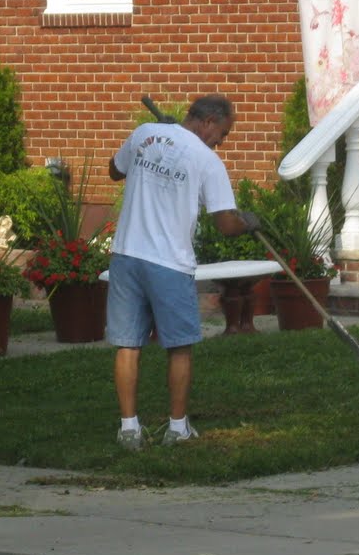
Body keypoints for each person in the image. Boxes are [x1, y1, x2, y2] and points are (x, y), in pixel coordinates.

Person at [107, 93, 259, 449]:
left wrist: (152, 148)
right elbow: (225, 223)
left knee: (128, 344)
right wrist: (248, 223)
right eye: (222, 134)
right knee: (179, 347)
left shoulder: (145, 133)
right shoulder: (206, 160)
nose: (221, 143)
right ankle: (177, 429)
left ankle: (129, 428)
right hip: (169, 262)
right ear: (208, 122)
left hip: (127, 255)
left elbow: (114, 170)